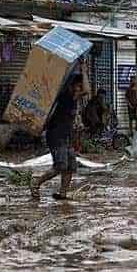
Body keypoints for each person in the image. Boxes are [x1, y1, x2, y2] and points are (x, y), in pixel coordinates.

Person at [31, 61, 90, 201]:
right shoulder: (66, 97)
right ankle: (36, 182)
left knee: (71, 166)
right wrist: (84, 70)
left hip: (66, 137)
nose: (80, 89)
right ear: (71, 86)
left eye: (80, 86)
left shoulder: (71, 98)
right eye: (78, 86)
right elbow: (87, 91)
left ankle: (62, 193)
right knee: (60, 166)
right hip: (56, 136)